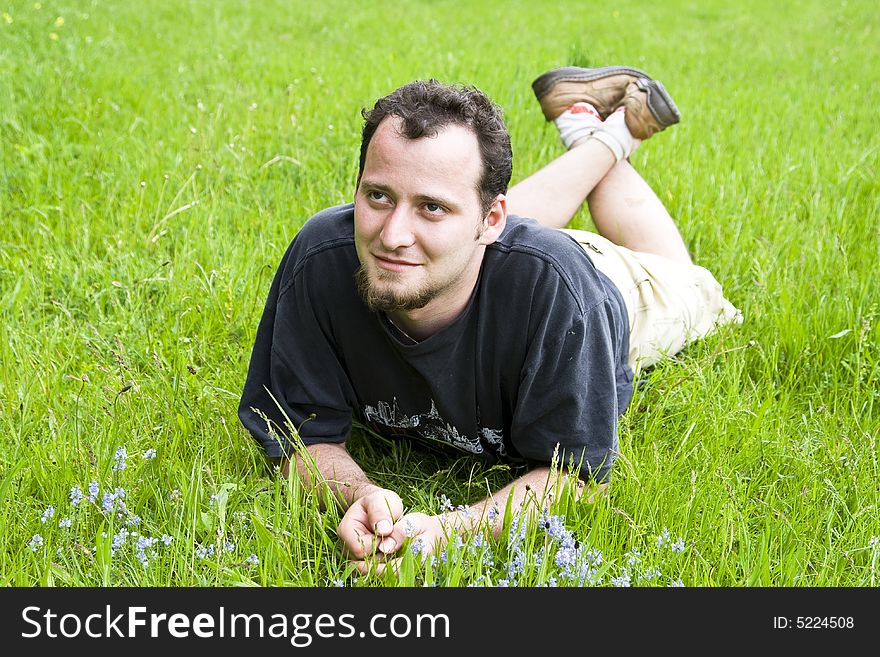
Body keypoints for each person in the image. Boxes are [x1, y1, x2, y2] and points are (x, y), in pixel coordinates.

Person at [238, 65, 741, 572]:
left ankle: (613, 134)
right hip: (479, 256)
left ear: (492, 221)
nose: (391, 235)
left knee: (699, 288)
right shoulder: (323, 258)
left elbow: (577, 477)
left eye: (431, 207)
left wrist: (446, 532)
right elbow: (298, 435)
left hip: (608, 281)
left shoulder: (563, 298)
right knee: (453, 219)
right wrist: (358, 494)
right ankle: (589, 126)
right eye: (378, 195)